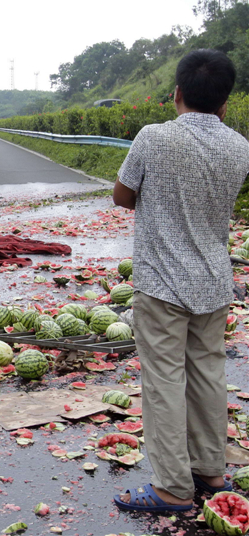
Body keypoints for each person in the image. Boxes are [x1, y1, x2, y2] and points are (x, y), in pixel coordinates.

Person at [112, 49, 249, 513]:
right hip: (213, 280)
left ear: (176, 93)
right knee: (209, 372)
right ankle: (211, 468)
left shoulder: (153, 138)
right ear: (225, 104)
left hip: (163, 283)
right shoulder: (239, 145)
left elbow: (122, 196)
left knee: (164, 380)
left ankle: (172, 487)